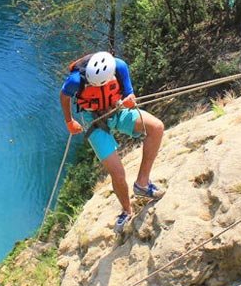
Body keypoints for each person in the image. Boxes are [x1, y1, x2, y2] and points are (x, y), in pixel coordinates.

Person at [60, 51, 165, 233]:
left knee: (156, 127)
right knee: (117, 173)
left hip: (117, 109)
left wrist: (129, 99)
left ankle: (142, 184)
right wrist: (69, 121)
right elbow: (64, 96)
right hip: (93, 120)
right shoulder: (76, 81)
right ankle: (126, 210)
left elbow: (128, 92)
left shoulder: (119, 66)